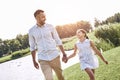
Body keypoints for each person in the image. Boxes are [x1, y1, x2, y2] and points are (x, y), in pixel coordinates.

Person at [28, 9, 67, 80]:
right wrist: (34, 61)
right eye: (43, 17)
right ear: (37, 17)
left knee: (61, 77)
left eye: (45, 16)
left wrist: (64, 54)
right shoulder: (31, 31)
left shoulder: (50, 26)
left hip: (54, 55)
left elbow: (58, 40)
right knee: (48, 78)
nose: (45, 18)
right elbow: (32, 47)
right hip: (43, 59)